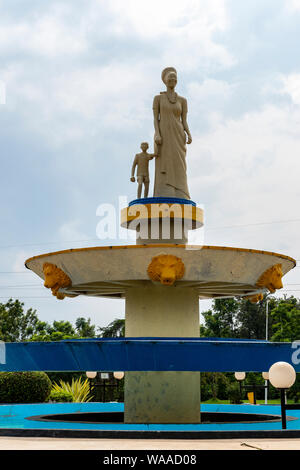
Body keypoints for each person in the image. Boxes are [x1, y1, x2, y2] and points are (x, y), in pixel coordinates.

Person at [153, 67, 192, 199]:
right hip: (164, 134)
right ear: (165, 80)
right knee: (164, 161)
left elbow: (184, 120)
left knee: (179, 164)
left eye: (174, 78)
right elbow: (155, 119)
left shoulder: (182, 100)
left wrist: (189, 133)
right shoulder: (158, 98)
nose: (172, 80)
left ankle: (181, 191)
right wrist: (157, 134)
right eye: (170, 78)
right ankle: (165, 190)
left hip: (178, 134)